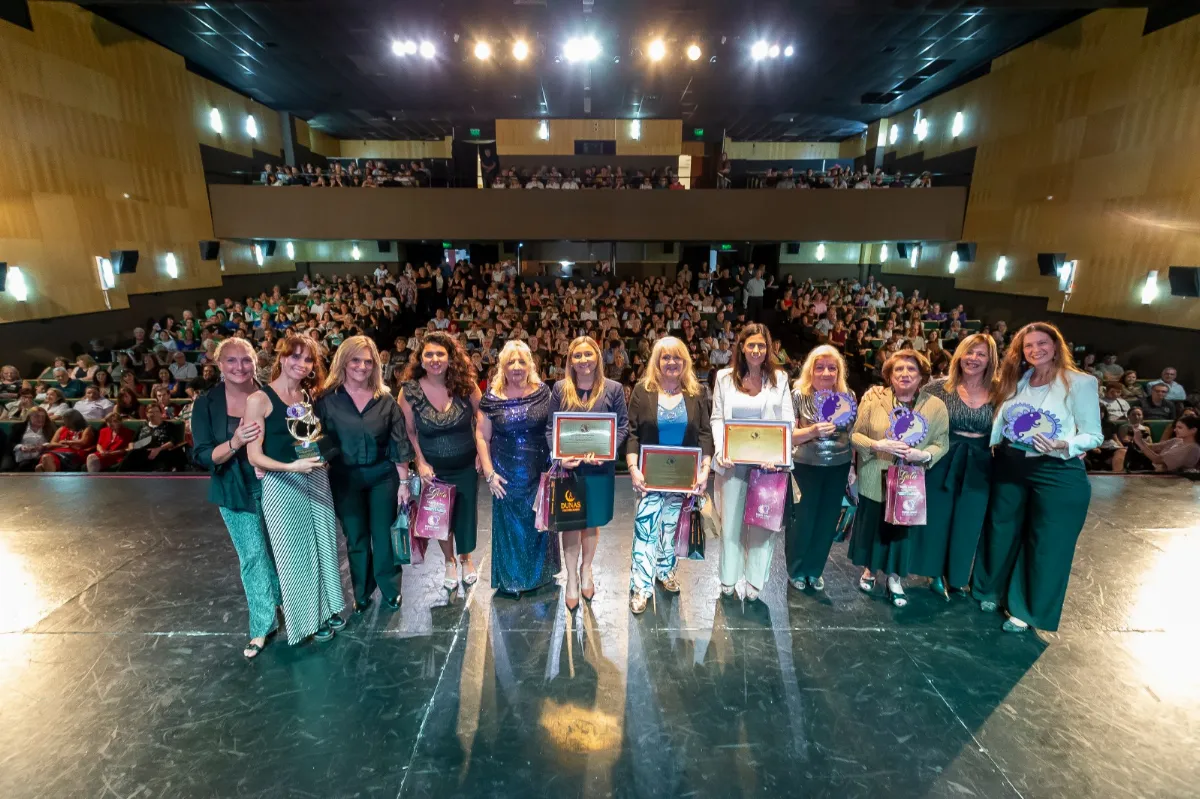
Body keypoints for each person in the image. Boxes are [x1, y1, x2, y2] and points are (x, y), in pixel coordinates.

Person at [974, 322, 1103, 633]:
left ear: (1056, 345)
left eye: (1042, 343)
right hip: (1010, 464)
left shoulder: (1080, 382)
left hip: (1056, 470)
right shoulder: (1017, 380)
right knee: (1001, 529)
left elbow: (1095, 435)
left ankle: (1026, 610)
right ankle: (989, 590)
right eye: (1028, 346)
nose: (1035, 350)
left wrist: (1066, 445)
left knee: (1046, 543)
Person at [244, 335, 345, 644]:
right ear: (282, 358)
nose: (302, 364)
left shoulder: (304, 396)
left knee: (324, 544)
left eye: (308, 359)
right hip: (282, 484)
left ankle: (328, 608)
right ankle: (306, 621)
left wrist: (321, 456)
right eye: (296, 357)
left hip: (313, 477)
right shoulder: (259, 400)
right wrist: (290, 468)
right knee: (294, 554)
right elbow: (254, 456)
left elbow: (307, 439)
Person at [190, 338, 283, 659]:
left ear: (255, 362)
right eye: (231, 361)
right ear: (219, 365)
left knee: (280, 552)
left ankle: (290, 606)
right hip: (233, 488)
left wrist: (268, 459)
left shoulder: (270, 393)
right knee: (254, 555)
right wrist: (235, 442)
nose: (239, 367)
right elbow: (203, 455)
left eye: (246, 360)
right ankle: (262, 625)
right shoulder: (206, 403)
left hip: (275, 484)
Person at [316, 336, 413, 614]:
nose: (362, 366)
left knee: (384, 536)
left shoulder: (386, 400)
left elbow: (399, 443)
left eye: (368, 362)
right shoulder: (325, 401)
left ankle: (391, 589)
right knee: (356, 537)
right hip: (345, 479)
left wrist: (404, 482)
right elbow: (317, 439)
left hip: (383, 477)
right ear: (344, 362)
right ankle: (361, 592)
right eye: (356, 360)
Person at [849, 349, 949, 607]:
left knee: (900, 531)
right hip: (875, 476)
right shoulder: (873, 399)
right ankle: (870, 570)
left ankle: (894, 579)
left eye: (911, 370)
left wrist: (923, 455)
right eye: (899, 370)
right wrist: (877, 445)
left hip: (909, 481)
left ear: (922, 376)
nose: (905, 374)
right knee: (874, 528)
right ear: (889, 376)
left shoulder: (935, 406)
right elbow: (856, 436)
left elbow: (942, 443)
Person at [624, 337, 713, 614]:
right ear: (657, 361)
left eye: (676, 357)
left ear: (684, 361)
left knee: (672, 528)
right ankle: (640, 586)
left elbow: (704, 434)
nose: (671, 362)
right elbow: (633, 433)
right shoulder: (643, 390)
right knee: (646, 528)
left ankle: (665, 572)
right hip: (650, 476)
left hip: (683, 477)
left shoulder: (696, 392)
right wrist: (633, 468)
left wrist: (705, 471)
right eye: (665, 357)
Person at [710, 323, 796, 601]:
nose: (757, 350)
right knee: (731, 522)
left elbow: (788, 421)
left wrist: (780, 457)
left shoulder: (780, 378)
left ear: (768, 348)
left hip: (767, 466)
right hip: (733, 463)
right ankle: (728, 577)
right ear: (742, 347)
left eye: (762, 345)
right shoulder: (724, 377)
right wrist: (721, 449)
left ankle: (755, 580)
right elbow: (717, 418)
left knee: (762, 524)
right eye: (751, 345)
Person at [546, 335, 630, 611]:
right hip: (569, 469)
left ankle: (586, 569)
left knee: (590, 522)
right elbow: (551, 429)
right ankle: (571, 577)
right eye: (577, 356)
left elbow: (622, 428)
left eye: (588, 355)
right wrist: (560, 457)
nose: (583, 360)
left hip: (598, 469)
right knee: (570, 522)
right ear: (570, 360)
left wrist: (606, 451)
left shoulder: (614, 389)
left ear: (597, 357)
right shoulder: (559, 388)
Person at [398, 331, 483, 591]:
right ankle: (449, 562)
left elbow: (481, 417)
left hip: (467, 464)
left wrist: (481, 451)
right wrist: (419, 463)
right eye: (429, 354)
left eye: (440, 354)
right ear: (421, 360)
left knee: (466, 515)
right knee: (440, 517)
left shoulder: (466, 384)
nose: (435, 359)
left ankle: (466, 559)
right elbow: (409, 432)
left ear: (450, 358)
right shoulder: (409, 391)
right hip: (433, 470)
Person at [916, 333, 998, 598]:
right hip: (943, 457)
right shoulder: (937, 388)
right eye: (969, 352)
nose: (973, 358)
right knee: (938, 519)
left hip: (981, 463)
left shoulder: (1002, 391)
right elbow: (919, 424)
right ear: (960, 354)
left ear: (990, 360)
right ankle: (933, 572)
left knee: (969, 521)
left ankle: (959, 576)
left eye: (981, 354)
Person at [475, 341, 558, 596]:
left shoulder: (544, 392)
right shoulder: (491, 397)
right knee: (510, 530)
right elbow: (481, 435)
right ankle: (511, 579)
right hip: (505, 476)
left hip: (539, 472)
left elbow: (556, 427)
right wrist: (489, 473)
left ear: (530, 365)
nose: (517, 367)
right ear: (502, 366)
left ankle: (539, 577)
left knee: (538, 525)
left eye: (522, 361)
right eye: (511, 362)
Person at [786, 345, 855, 593]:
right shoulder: (797, 395)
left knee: (826, 522)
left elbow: (853, 434)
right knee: (802, 522)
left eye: (832, 367)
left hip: (838, 467)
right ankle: (796, 570)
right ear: (810, 370)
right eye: (820, 367)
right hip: (804, 466)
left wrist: (853, 468)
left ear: (839, 372)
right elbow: (787, 436)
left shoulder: (849, 397)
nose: (826, 372)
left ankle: (815, 570)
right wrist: (812, 431)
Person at [118, 402, 186, 471]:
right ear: (147, 414)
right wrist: (131, 447)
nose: (154, 414)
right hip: (144, 453)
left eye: (156, 411)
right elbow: (132, 442)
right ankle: (118, 476)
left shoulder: (169, 425)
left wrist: (159, 449)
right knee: (132, 454)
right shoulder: (142, 427)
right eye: (151, 412)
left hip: (162, 452)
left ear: (161, 413)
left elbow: (173, 441)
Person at [1129, 416, 1200, 473]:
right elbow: (1152, 447)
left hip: (1171, 479)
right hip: (1154, 471)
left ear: (1193, 430)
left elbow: (1157, 459)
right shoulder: (1177, 440)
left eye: (1180, 427)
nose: (1175, 430)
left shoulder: (1192, 448)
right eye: (1175, 427)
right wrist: (1139, 437)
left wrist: (1139, 442)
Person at [7, 407, 53, 471]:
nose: (40, 419)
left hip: (41, 457)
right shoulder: (19, 427)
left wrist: (44, 446)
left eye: (43, 417)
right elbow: (10, 443)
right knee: (22, 466)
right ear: (29, 417)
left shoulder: (50, 428)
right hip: (22, 456)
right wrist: (21, 447)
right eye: (37, 416)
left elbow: (54, 442)